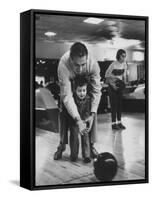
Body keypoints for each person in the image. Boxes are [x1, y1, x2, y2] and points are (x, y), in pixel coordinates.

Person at [54, 42, 101, 160]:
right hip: (70, 92)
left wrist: (93, 114)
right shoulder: (63, 64)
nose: (80, 69)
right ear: (70, 59)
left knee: (92, 113)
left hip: (85, 91)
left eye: (83, 65)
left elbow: (96, 91)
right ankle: (61, 145)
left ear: (87, 58)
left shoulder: (93, 64)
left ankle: (91, 146)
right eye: (76, 65)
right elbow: (67, 96)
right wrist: (78, 120)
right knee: (63, 114)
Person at [62, 74, 92, 163]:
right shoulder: (73, 99)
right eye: (79, 91)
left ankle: (86, 155)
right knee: (74, 138)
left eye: (84, 90)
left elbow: (88, 111)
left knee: (85, 137)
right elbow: (70, 111)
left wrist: (85, 120)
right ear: (75, 90)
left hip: (84, 121)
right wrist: (77, 121)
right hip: (74, 122)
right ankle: (74, 155)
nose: (82, 93)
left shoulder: (88, 99)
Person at [105, 49, 127, 130]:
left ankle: (119, 123)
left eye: (125, 56)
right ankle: (113, 124)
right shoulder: (113, 65)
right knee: (114, 106)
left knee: (119, 106)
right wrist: (112, 85)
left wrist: (123, 85)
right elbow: (106, 76)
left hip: (119, 86)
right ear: (118, 56)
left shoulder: (124, 64)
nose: (124, 58)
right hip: (112, 86)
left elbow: (123, 77)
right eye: (122, 56)